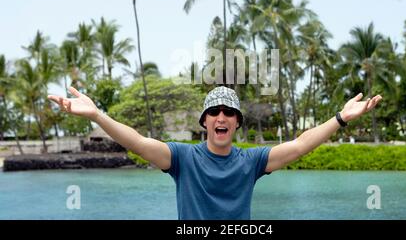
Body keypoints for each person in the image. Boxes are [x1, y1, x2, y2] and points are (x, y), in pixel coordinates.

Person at [48, 86, 382, 220]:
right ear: (205, 122)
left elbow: (300, 145)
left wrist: (339, 118)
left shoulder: (251, 162)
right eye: (214, 112)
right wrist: (96, 115)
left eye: (228, 112)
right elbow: (136, 141)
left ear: (236, 123)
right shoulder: (181, 159)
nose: (221, 117)